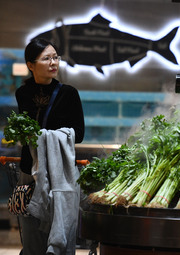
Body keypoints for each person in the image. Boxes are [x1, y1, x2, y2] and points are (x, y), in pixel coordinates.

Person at [15, 38, 85, 255]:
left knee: (61, 236)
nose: (53, 62)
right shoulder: (23, 93)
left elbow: (79, 134)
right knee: (31, 236)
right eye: (46, 58)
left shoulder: (69, 93)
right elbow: (23, 132)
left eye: (56, 57)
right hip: (29, 173)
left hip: (61, 176)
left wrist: (44, 137)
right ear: (31, 65)